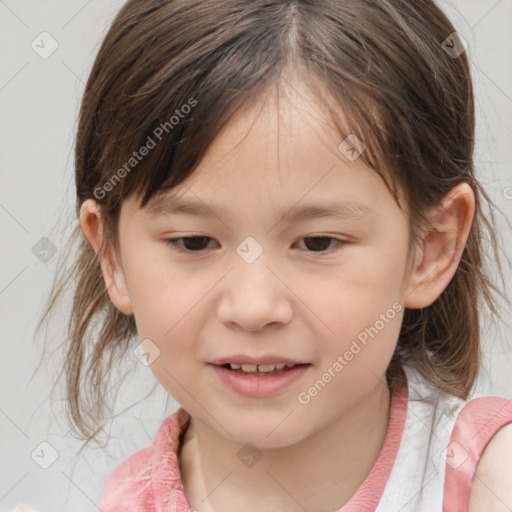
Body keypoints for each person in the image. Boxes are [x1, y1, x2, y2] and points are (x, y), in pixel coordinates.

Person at [31, 0, 512, 511]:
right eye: (194, 242)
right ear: (114, 256)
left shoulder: (489, 483)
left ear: (431, 249)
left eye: (318, 242)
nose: (254, 308)